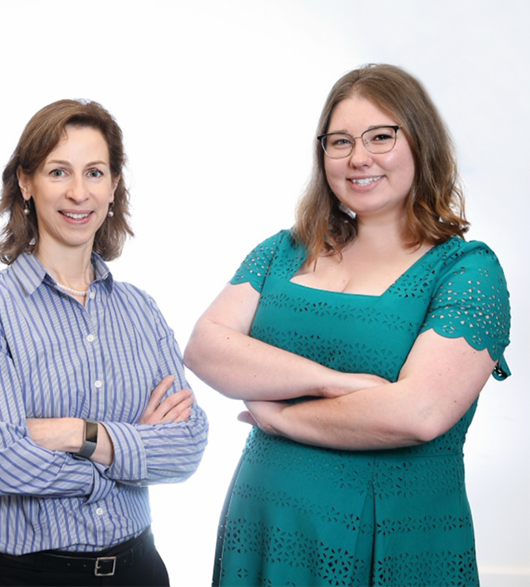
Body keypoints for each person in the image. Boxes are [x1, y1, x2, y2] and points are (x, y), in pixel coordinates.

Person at [184, 63, 511, 586]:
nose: (359, 157)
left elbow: (418, 413)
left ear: (420, 143)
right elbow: (206, 347)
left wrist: (280, 418)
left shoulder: (467, 270)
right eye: (340, 141)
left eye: (381, 136)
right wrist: (331, 383)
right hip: (265, 528)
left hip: (395, 545)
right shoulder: (283, 251)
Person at [0, 99, 208, 587]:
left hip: (139, 571)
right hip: (24, 576)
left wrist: (75, 433)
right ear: (26, 183)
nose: (77, 192)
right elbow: (2, 463)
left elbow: (189, 445)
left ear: (113, 186)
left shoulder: (141, 308)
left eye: (94, 173)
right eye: (58, 172)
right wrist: (126, 457)